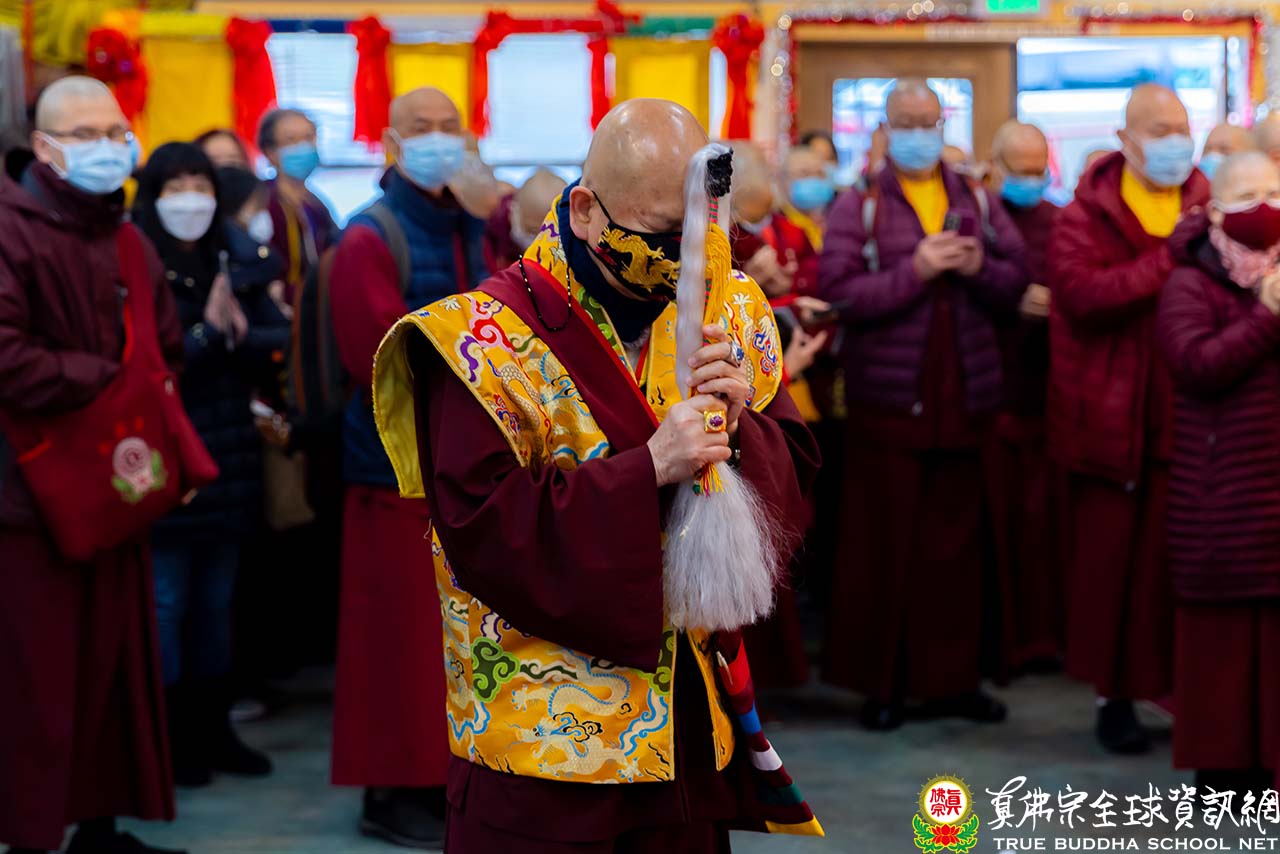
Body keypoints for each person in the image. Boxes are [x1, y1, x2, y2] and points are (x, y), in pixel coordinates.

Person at [371, 98, 822, 851]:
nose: (681, 259)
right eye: (658, 235)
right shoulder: (479, 340)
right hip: (543, 748)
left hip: (689, 728)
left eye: (700, 231)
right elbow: (483, 532)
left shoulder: (731, 304)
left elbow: (795, 473)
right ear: (584, 211)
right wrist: (649, 469)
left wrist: (741, 429)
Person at [0, 76, 184, 854]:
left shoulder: (125, 234)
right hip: (30, 492)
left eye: (115, 132)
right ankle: (31, 838)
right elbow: (7, 356)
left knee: (115, 667)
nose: (107, 148)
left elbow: (163, 341)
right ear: (43, 148)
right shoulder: (10, 229)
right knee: (38, 678)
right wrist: (106, 383)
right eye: (85, 136)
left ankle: (100, 829)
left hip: (118, 482)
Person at [819, 78, 1030, 731]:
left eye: (928, 121)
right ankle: (884, 687)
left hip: (965, 403)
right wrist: (916, 271)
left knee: (959, 555)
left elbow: (1017, 279)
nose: (918, 133)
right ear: (885, 130)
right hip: (888, 406)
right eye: (905, 122)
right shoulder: (860, 204)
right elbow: (839, 292)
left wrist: (974, 267)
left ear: (943, 125)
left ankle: (954, 684)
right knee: (885, 553)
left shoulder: (975, 198)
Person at [328, 87, 488, 849]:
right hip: (391, 470)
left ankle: (440, 781)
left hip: (461, 464)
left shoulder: (471, 225)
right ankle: (389, 790)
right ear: (391, 142)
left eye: (449, 126)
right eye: (420, 128)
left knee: (447, 639)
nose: (437, 139)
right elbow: (380, 361)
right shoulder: (370, 237)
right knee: (393, 640)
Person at [1047, 83, 1210, 754]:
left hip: (1189, 412)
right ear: (1125, 139)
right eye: (1159, 130)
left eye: (1182, 128)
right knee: (1108, 568)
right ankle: (1111, 698)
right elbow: (1083, 293)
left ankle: (1182, 696)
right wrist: (1170, 258)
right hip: (1107, 413)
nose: (1176, 143)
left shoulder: (1208, 201)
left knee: (1173, 566)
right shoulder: (1085, 212)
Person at [131, 143, 287, 788]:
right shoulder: (135, 258)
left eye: (200, 184)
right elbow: (144, 362)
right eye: (176, 186)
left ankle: (215, 728)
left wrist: (240, 332)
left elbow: (280, 335)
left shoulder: (234, 254)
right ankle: (171, 741)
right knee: (167, 602)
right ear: (153, 195)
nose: (190, 198)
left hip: (229, 456)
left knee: (217, 603)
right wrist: (205, 335)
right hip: (163, 457)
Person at [1157, 150, 1280, 798]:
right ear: (1215, 210)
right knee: (1222, 647)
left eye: (1275, 193)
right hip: (1220, 492)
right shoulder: (1189, 282)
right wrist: (1266, 317)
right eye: (1249, 194)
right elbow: (1196, 364)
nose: (1265, 206)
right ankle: (1225, 771)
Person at [984, 119, 1062, 670]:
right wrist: (1009, 294)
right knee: (995, 528)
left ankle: (1043, 639)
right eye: (1021, 170)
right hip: (991, 390)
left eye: (1039, 171)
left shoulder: (1060, 220)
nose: (1031, 181)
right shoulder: (981, 217)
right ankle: (999, 644)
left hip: (1047, 390)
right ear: (997, 166)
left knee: (1042, 528)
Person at [257, 108, 338, 295]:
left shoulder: (316, 204)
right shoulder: (263, 203)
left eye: (309, 138)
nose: (303, 146)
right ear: (270, 152)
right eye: (291, 140)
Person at [483, 167, 567, 272]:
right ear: (514, 212)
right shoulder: (495, 226)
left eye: (551, 234)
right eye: (533, 231)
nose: (540, 242)